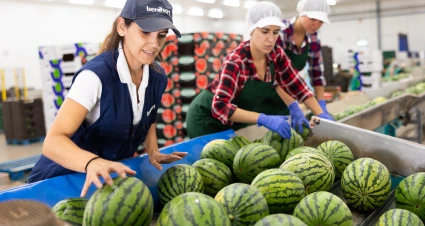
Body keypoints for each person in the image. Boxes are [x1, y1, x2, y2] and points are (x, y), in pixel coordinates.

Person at [28, 0, 187, 197]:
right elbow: (53, 142)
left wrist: (152, 150)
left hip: (106, 183)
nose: (154, 44)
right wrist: (92, 162)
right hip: (61, 182)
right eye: (145, 32)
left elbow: (147, 117)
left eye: (161, 35)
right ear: (122, 26)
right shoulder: (95, 77)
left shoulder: (157, 77)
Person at [186, 1, 333, 139]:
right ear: (251, 30)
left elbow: (298, 87)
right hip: (206, 119)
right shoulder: (236, 61)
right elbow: (220, 106)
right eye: (265, 31)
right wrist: (262, 118)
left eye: (275, 32)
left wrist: (321, 114)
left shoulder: (276, 54)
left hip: (235, 118)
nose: (271, 39)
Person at [257, 0, 334, 132]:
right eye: (313, 18)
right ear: (302, 14)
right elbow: (274, 75)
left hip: (286, 97)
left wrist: (321, 106)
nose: (316, 24)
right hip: (263, 96)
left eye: (321, 21)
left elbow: (316, 73)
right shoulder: (279, 32)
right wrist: (293, 105)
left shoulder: (313, 37)